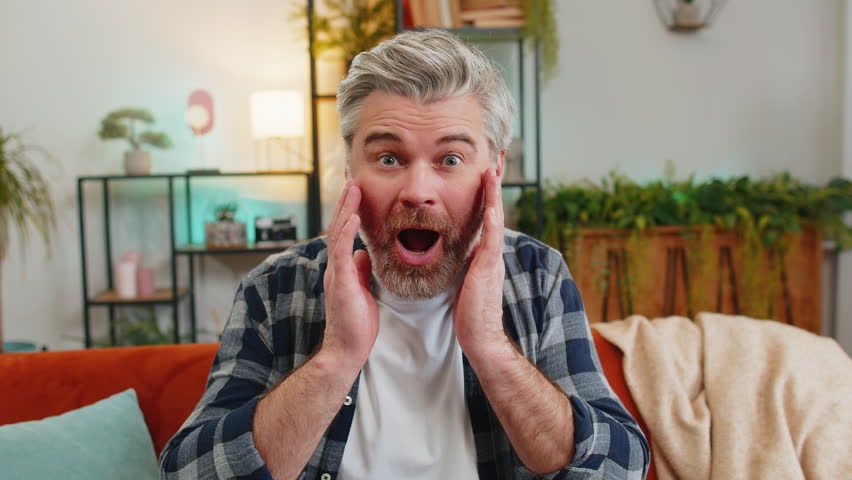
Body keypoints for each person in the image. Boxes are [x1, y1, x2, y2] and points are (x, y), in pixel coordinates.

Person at [160, 29, 650, 480]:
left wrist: (490, 348)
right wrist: (336, 358)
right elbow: (186, 472)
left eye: (451, 159)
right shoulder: (277, 286)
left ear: (494, 171)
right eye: (388, 158)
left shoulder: (537, 275)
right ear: (350, 167)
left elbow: (621, 466)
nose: (418, 191)